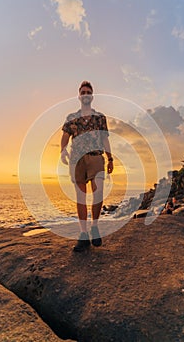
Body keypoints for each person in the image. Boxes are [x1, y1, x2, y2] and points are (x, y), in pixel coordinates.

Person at [61, 81, 114, 252]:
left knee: (97, 193)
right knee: (81, 197)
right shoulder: (71, 117)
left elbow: (105, 138)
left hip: (96, 157)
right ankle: (83, 235)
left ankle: (95, 226)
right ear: (79, 96)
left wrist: (110, 158)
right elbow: (65, 135)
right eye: (83, 92)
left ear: (92, 96)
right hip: (77, 160)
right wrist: (62, 150)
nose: (85, 94)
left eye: (88, 92)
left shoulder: (100, 117)